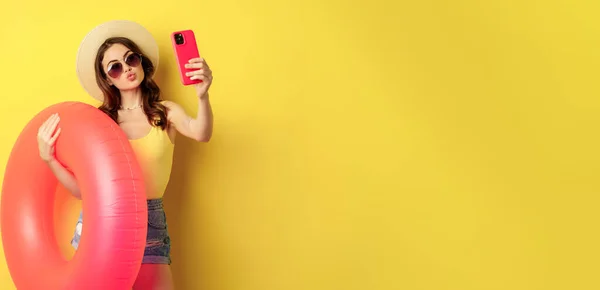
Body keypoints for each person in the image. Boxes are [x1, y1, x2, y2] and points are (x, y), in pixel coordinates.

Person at [35, 20, 213, 289]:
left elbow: (201, 132)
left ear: (141, 62)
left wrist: (202, 95)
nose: (127, 68)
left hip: (150, 219)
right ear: (107, 78)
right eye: (115, 67)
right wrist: (49, 159)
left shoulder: (165, 112)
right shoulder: (99, 121)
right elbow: (84, 190)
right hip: (103, 218)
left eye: (131, 59)